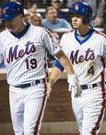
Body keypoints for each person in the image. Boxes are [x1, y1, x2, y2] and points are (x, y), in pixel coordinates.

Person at [0, 2, 80, 135]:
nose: (7, 23)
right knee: (19, 132)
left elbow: (60, 55)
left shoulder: (40, 33)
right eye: (5, 20)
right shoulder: (2, 37)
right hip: (14, 90)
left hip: (36, 88)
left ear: (21, 16)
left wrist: (72, 75)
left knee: (30, 131)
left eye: (10, 19)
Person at [49, 2, 106, 135]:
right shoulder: (66, 38)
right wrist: (50, 82)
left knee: (88, 132)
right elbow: (59, 64)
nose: (74, 19)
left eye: (78, 16)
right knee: (83, 131)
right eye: (72, 15)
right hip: (75, 92)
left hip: (95, 91)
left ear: (86, 18)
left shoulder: (101, 39)